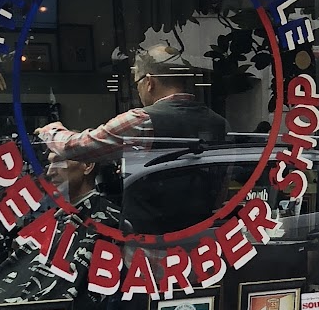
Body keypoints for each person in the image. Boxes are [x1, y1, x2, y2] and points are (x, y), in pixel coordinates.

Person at [36, 42, 228, 236]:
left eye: (137, 84)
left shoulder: (142, 120)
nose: (138, 91)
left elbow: (76, 147)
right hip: (203, 241)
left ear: (149, 82)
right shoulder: (219, 124)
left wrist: (50, 130)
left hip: (150, 242)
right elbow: (222, 187)